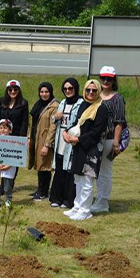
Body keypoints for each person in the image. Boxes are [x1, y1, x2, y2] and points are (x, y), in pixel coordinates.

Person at [63, 80, 109, 221]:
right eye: (88, 90)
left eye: (94, 90)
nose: (90, 93)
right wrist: (66, 132)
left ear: (99, 91)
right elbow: (77, 123)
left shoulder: (101, 108)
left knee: (87, 181)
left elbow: (96, 132)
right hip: (79, 147)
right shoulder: (84, 104)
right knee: (78, 178)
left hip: (91, 149)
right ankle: (77, 206)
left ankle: (85, 210)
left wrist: (78, 139)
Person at [94, 66, 127, 213]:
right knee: (95, 171)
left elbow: (119, 122)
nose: (106, 81)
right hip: (96, 139)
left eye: (109, 79)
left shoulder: (117, 99)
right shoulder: (95, 95)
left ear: (114, 80)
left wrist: (115, 142)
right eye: (103, 78)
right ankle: (98, 199)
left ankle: (103, 203)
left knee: (105, 172)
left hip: (109, 139)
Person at [49, 78, 83, 209]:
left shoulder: (80, 103)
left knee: (69, 172)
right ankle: (56, 197)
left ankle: (68, 200)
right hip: (60, 142)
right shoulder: (62, 102)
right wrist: (55, 117)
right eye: (65, 89)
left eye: (70, 89)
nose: (68, 91)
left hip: (71, 142)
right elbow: (55, 120)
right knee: (59, 171)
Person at [27, 82, 59, 201]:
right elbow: (33, 122)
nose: (44, 94)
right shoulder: (39, 104)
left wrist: (47, 144)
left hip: (45, 140)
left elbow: (53, 127)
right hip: (36, 138)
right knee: (39, 165)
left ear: (50, 92)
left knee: (45, 166)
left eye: (46, 92)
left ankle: (44, 192)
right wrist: (30, 137)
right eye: (42, 92)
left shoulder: (54, 106)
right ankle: (40, 189)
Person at [0, 119, 17, 208]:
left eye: (5, 128)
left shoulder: (14, 142)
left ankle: (8, 199)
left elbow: (16, 155)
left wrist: (8, 165)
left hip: (9, 167)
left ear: (10, 130)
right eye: (1, 128)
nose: (3, 130)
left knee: (7, 185)